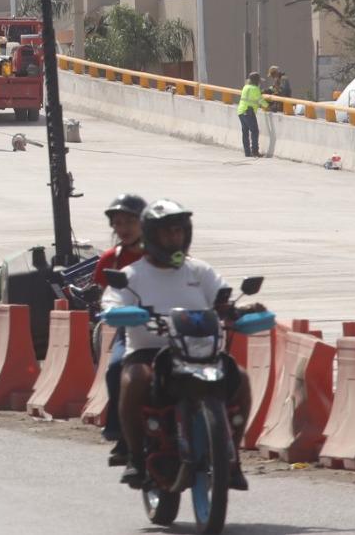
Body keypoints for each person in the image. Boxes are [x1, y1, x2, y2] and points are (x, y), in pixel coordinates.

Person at [103, 200, 255, 492]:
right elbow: (112, 302)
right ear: (151, 235)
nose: (174, 238)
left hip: (199, 350)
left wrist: (242, 311)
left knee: (242, 378)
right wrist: (120, 312)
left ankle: (232, 458)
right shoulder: (133, 275)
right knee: (134, 379)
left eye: (179, 231)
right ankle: (135, 457)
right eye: (167, 233)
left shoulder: (200, 271)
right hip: (149, 352)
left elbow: (224, 301)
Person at [90, 193, 147, 465]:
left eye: (130, 222)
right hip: (132, 329)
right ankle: (120, 431)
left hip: (171, 327)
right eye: (118, 223)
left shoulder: (164, 255)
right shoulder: (111, 260)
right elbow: (107, 296)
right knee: (116, 369)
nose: (123, 229)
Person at [237, 71, 264, 157]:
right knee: (254, 131)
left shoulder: (245, 87)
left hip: (241, 111)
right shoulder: (255, 89)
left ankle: (247, 152)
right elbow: (261, 101)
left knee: (245, 132)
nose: (259, 83)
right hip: (249, 112)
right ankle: (255, 151)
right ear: (256, 81)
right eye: (259, 81)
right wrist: (268, 106)